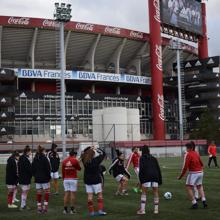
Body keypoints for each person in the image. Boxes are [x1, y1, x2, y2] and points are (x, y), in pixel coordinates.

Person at [177, 142, 208, 209]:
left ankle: (194, 203)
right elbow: (201, 163)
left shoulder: (188, 154)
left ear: (189, 148)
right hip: (200, 172)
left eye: (186, 148)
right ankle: (204, 201)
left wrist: (180, 176)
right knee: (199, 186)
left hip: (194, 173)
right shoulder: (196, 153)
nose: (186, 149)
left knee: (188, 187)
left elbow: (185, 167)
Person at [81, 146, 106, 216]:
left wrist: (89, 148)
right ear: (93, 154)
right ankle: (100, 211)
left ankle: (91, 212)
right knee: (100, 195)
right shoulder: (96, 160)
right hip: (96, 180)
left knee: (90, 196)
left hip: (87, 180)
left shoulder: (84, 160)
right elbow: (103, 153)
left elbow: (83, 152)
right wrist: (96, 148)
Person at [137, 145, 162, 215]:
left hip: (146, 176)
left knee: (144, 192)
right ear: (149, 151)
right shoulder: (154, 158)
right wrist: (159, 179)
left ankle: (142, 210)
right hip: (155, 176)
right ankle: (156, 210)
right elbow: (158, 169)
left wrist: (141, 180)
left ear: (142, 151)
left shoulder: (141, 158)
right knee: (155, 192)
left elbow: (141, 170)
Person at [32, 145, 51, 213]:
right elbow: (48, 169)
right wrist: (49, 177)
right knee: (47, 192)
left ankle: (39, 208)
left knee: (39, 193)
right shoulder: (45, 158)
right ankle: (45, 207)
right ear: (43, 151)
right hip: (45, 178)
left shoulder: (35, 158)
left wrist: (35, 175)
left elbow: (32, 168)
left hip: (37, 178)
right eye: (45, 151)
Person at [62, 148, 81, 214]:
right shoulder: (75, 160)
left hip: (66, 179)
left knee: (66, 194)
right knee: (73, 194)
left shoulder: (64, 161)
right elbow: (79, 169)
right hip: (73, 179)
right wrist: (78, 162)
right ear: (74, 155)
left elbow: (63, 172)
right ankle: (72, 210)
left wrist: (63, 179)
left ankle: (65, 210)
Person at [18, 145, 32, 210]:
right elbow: (28, 169)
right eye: (30, 151)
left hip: (24, 177)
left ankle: (24, 205)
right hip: (25, 178)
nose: (31, 152)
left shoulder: (22, 157)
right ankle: (22, 206)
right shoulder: (24, 159)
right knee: (24, 191)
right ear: (27, 151)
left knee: (25, 192)